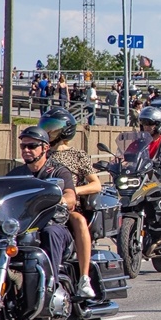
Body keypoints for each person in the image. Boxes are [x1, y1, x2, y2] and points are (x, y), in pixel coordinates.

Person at [38, 108, 98, 298]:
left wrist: (70, 192)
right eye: (45, 127)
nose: (47, 132)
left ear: (65, 131)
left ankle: (84, 279)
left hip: (67, 208)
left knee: (79, 220)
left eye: (52, 128)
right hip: (40, 208)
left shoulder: (77, 155)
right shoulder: (40, 154)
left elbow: (96, 185)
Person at [6, 127, 77, 285]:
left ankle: (51, 284)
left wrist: (58, 200)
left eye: (31, 146)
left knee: (50, 233)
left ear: (45, 148)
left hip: (52, 223)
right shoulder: (16, 174)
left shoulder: (58, 172)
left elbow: (71, 197)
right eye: (23, 146)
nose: (26, 150)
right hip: (22, 226)